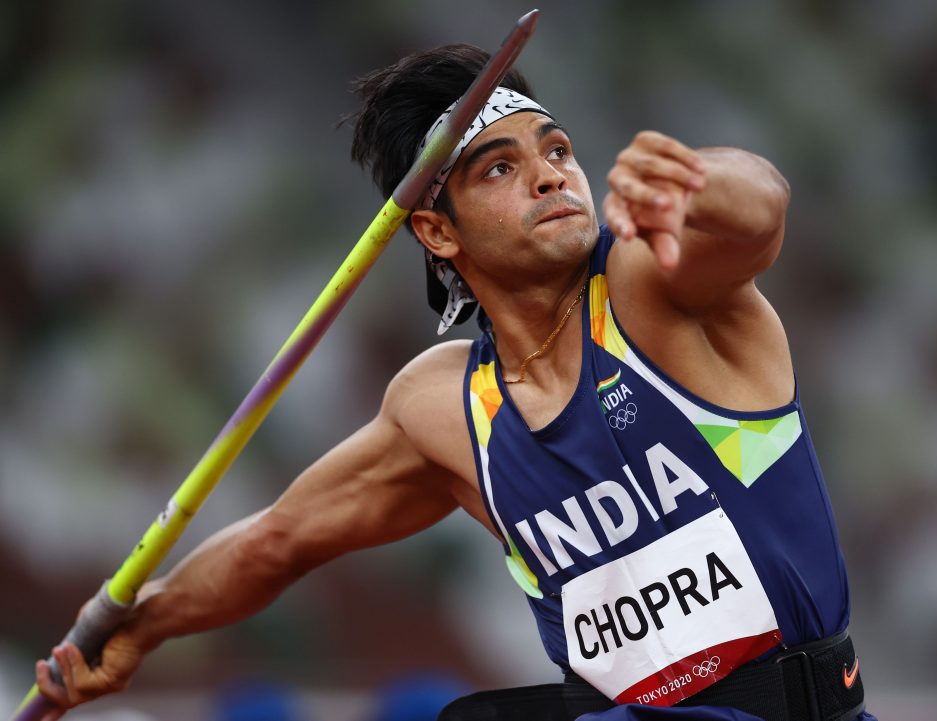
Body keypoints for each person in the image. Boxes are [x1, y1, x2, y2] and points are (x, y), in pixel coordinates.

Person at [36, 44, 875, 721]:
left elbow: (758, 215)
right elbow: (278, 540)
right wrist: (143, 624)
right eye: (499, 169)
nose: (552, 175)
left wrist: (692, 183)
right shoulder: (443, 408)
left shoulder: (652, 295)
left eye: (558, 150)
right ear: (437, 230)